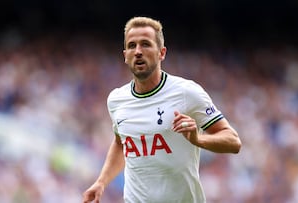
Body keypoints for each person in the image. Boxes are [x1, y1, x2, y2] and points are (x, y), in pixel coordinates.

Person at [82, 16, 242, 203]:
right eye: (132, 46)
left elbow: (233, 141)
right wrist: (101, 182)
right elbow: (121, 142)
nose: (138, 51)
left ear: (162, 53)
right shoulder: (117, 100)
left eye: (146, 44)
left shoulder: (186, 92)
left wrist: (198, 139)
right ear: (125, 55)